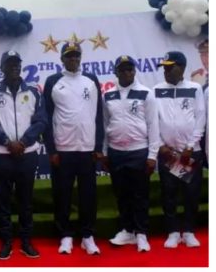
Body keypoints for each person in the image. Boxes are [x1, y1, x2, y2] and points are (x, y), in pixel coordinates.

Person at [0, 50, 47, 260]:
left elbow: (40, 121)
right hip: (2, 156)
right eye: (10, 64)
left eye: (17, 64)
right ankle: (7, 242)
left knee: (25, 201)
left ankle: (26, 241)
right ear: (2, 68)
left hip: (27, 155)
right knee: (3, 202)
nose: (14, 67)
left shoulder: (35, 91)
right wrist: (6, 142)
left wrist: (23, 142)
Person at [43, 42, 104, 255]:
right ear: (62, 59)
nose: (73, 60)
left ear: (81, 58)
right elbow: (46, 118)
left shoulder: (91, 80)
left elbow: (98, 115)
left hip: (87, 148)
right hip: (63, 148)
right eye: (69, 56)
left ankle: (88, 235)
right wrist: (52, 150)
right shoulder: (53, 81)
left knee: (88, 195)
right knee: (63, 195)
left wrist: (98, 146)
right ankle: (65, 235)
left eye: (76, 56)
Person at [103, 55, 159, 252]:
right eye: (123, 69)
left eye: (130, 69)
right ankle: (127, 231)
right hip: (116, 152)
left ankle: (142, 234)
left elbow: (153, 125)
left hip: (139, 151)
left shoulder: (146, 93)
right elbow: (105, 125)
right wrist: (104, 152)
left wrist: (152, 155)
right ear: (116, 72)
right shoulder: (108, 95)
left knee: (140, 195)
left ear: (135, 71)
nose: (127, 73)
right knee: (122, 195)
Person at [154, 51, 206, 248]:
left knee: (190, 194)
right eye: (164, 67)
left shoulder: (194, 88)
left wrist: (190, 147)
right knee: (169, 193)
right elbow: (153, 122)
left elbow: (201, 118)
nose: (166, 71)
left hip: (189, 153)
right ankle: (173, 232)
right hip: (168, 152)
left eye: (170, 66)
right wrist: (160, 146)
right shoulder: (157, 90)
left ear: (182, 68)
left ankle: (189, 232)